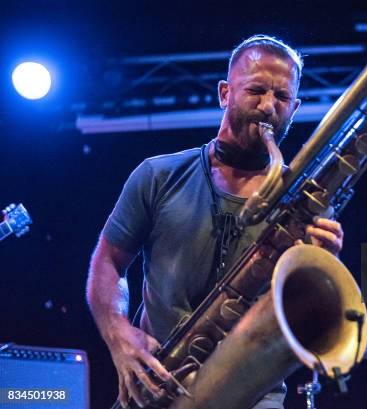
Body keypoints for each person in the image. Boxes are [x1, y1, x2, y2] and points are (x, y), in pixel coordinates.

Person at [86, 35, 345, 409]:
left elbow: (306, 321)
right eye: (256, 90)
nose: (269, 106)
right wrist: (119, 336)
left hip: (256, 394)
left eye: (283, 98)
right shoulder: (157, 176)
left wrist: (320, 270)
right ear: (225, 93)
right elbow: (108, 262)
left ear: (296, 106)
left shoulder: (307, 203)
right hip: (159, 386)